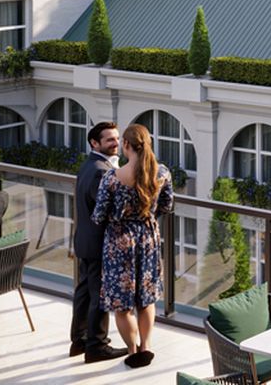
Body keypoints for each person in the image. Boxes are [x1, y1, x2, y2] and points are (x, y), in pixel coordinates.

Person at [92, 124, 174, 369]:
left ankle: (132, 350)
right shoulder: (162, 173)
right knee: (146, 299)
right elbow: (167, 206)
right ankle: (146, 347)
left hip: (119, 242)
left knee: (122, 303)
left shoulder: (112, 178)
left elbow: (98, 216)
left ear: (126, 145)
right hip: (148, 239)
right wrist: (145, 217)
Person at [70, 122, 127, 363]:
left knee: (84, 292)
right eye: (109, 140)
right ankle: (97, 346)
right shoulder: (101, 171)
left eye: (116, 138)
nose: (116, 143)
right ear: (95, 143)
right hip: (98, 243)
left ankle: (80, 340)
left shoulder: (88, 165)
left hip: (84, 240)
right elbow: (109, 211)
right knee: (99, 295)